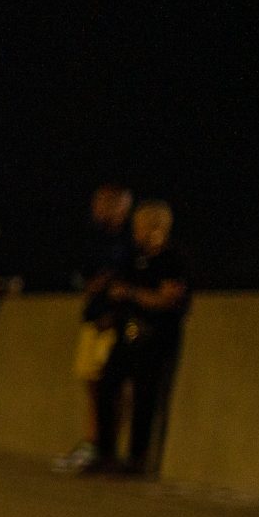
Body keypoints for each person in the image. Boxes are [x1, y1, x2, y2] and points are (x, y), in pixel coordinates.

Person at [88, 200, 188, 474]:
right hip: (125, 334)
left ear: (156, 227)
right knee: (106, 388)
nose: (135, 232)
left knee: (145, 398)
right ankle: (105, 454)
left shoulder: (172, 258)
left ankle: (137, 460)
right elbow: (118, 288)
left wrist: (131, 294)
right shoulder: (134, 258)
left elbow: (167, 299)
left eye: (140, 227)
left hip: (156, 338)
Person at [56, 183, 136, 472]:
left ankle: (106, 446)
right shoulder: (93, 240)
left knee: (112, 387)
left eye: (104, 203)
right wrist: (92, 285)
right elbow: (81, 276)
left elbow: (127, 283)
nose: (96, 209)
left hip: (114, 323)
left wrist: (113, 306)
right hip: (92, 318)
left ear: (120, 207)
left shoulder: (128, 242)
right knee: (90, 382)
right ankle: (92, 443)